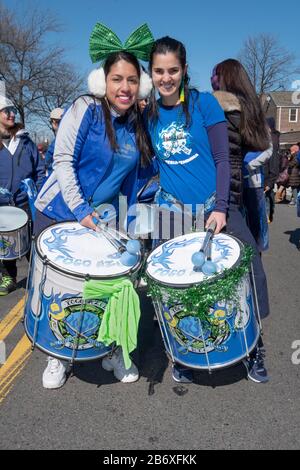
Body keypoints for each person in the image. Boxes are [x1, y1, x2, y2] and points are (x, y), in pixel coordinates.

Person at [33, 22, 155, 389]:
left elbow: (135, 182)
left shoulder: (137, 124)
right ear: (104, 81)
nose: (125, 87)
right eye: (117, 79)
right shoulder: (84, 108)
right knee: (65, 289)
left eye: (132, 80)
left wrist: (133, 226)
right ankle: (58, 354)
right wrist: (81, 210)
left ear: (140, 84)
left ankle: (112, 350)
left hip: (105, 218)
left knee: (116, 286)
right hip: (61, 211)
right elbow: (63, 161)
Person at [145, 37, 231, 383]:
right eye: (159, 71)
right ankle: (181, 352)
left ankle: (235, 348)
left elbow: (224, 159)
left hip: (210, 209)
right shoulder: (148, 114)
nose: (166, 78)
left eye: (173, 70)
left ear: (184, 70)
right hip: (170, 212)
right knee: (174, 287)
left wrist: (222, 207)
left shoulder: (204, 104)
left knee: (214, 284)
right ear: (151, 73)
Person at [211, 59, 271, 383]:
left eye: (215, 79)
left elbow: (264, 147)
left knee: (249, 267)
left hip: (232, 202)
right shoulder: (208, 110)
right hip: (206, 202)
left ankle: (254, 346)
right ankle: (192, 343)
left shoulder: (236, 111)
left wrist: (244, 169)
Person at [0, 93, 45, 296]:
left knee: (31, 243)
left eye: (12, 111)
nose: (11, 114)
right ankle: (9, 277)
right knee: (5, 244)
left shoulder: (25, 142)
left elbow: (40, 171)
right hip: (2, 206)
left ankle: (40, 278)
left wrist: (40, 193)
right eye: (6, 111)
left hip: (26, 202)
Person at [264, 118, 280, 222]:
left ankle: (268, 215)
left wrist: (269, 182)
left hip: (267, 176)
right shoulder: (270, 138)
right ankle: (269, 214)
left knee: (267, 196)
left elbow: (274, 163)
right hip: (267, 175)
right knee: (268, 196)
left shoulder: (272, 140)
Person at [44, 108, 64, 175]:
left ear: (54, 122)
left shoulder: (57, 141)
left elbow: (47, 160)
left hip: (56, 177)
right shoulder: (73, 138)